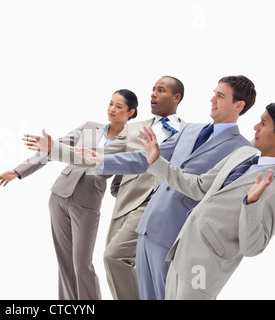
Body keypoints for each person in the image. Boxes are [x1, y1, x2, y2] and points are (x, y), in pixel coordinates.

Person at [75, 75, 256, 299]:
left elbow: (214, 197)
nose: (212, 99)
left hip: (177, 236)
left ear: (238, 105)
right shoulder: (190, 131)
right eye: (214, 93)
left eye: (220, 96)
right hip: (148, 226)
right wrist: (103, 160)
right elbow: (147, 159)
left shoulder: (241, 150)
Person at [23, 76, 188, 300]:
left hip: (167, 203)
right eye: (152, 89)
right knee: (111, 260)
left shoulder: (190, 133)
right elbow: (98, 157)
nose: (153, 94)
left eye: (160, 90)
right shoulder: (132, 130)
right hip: (130, 204)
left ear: (176, 97)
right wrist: (53, 150)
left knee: (156, 268)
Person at [0, 89, 138, 300]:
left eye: (118, 106)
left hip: (88, 202)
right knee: (65, 262)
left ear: (131, 112)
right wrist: (18, 171)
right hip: (59, 195)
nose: (112, 110)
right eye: (110, 104)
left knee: (82, 264)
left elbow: (121, 182)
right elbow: (54, 148)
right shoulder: (90, 127)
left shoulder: (129, 143)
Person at [137, 103, 275, 299]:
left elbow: (252, 247)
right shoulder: (243, 154)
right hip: (181, 250)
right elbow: (200, 186)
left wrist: (251, 204)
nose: (255, 127)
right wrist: (157, 162)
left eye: (263, 123)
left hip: (204, 267)